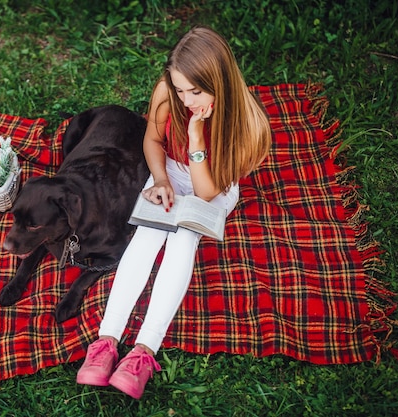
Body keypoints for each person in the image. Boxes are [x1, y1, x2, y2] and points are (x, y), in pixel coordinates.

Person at [76, 26, 271, 399]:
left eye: (195, 91)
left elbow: (205, 190)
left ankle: (144, 352)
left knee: (183, 240)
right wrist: (161, 178)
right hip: (171, 171)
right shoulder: (168, 92)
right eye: (180, 90)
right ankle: (105, 342)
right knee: (149, 232)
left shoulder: (250, 125)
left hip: (212, 184)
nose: (185, 100)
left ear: (220, 82)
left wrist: (197, 138)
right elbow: (152, 138)